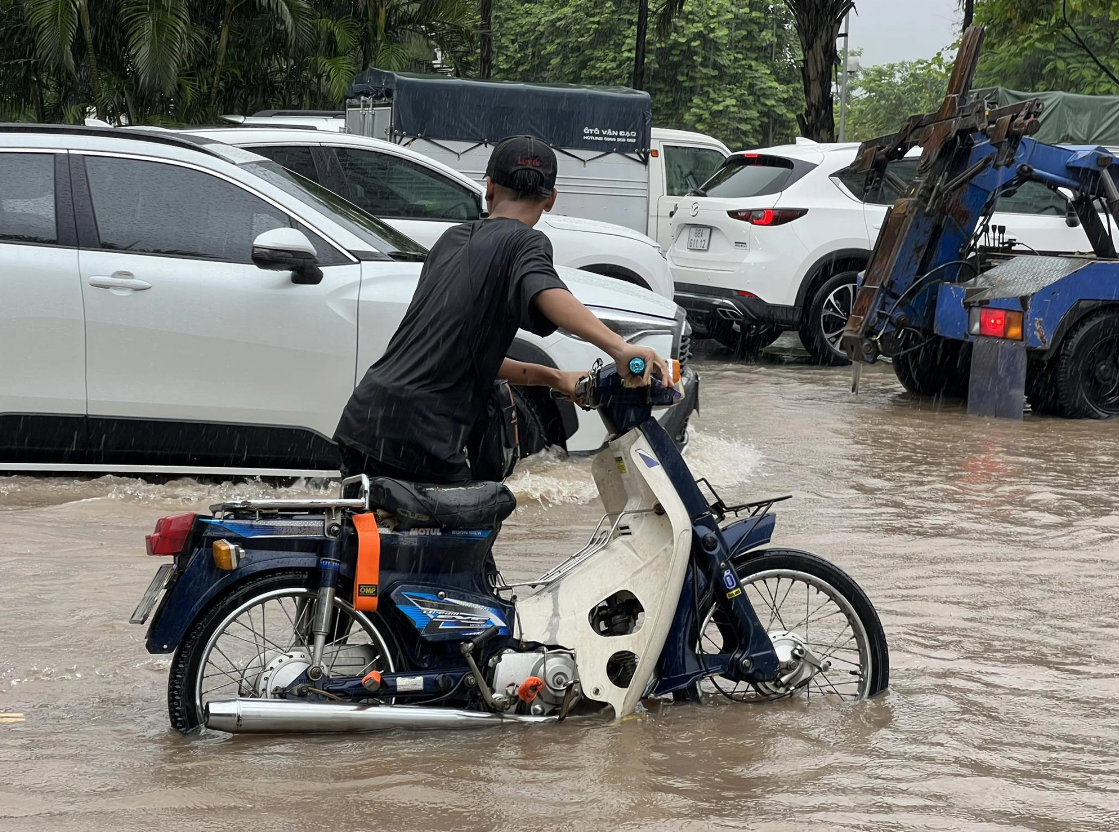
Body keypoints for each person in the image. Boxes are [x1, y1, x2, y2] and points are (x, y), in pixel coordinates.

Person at [334, 135, 671, 485]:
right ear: (551, 200)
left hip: (367, 416)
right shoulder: (525, 241)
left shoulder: (450, 240)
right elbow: (547, 291)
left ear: (489, 188)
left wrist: (555, 378)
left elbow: (462, 354)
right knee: (470, 526)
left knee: (375, 533)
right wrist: (620, 347)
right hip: (422, 435)